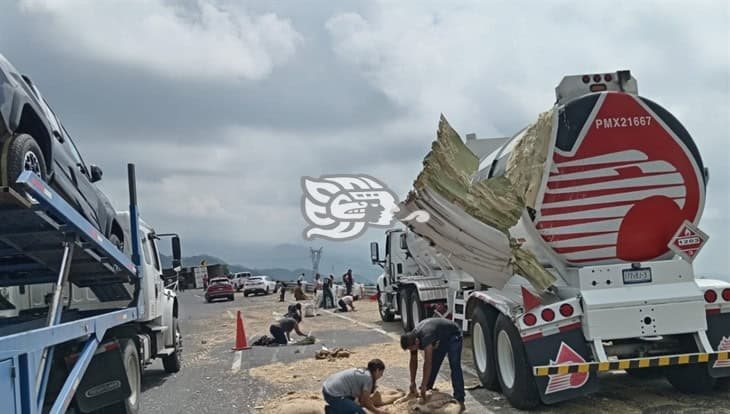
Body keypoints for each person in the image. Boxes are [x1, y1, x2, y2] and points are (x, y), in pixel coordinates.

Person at [400, 318, 465, 410]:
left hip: (454, 334)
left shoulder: (427, 336)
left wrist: (423, 384)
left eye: (412, 348)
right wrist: (412, 382)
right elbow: (413, 361)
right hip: (441, 337)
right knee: (435, 363)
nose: (412, 351)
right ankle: (427, 389)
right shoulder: (412, 338)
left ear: (417, 342)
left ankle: (460, 398)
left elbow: (428, 363)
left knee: (454, 365)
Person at [322, 359, 387, 414]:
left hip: (327, 388)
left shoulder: (364, 371)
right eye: (381, 373)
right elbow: (365, 402)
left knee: (354, 406)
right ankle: (332, 411)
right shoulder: (368, 378)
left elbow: (362, 400)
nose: (381, 376)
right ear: (377, 370)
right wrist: (378, 411)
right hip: (333, 395)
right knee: (359, 413)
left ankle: (336, 408)